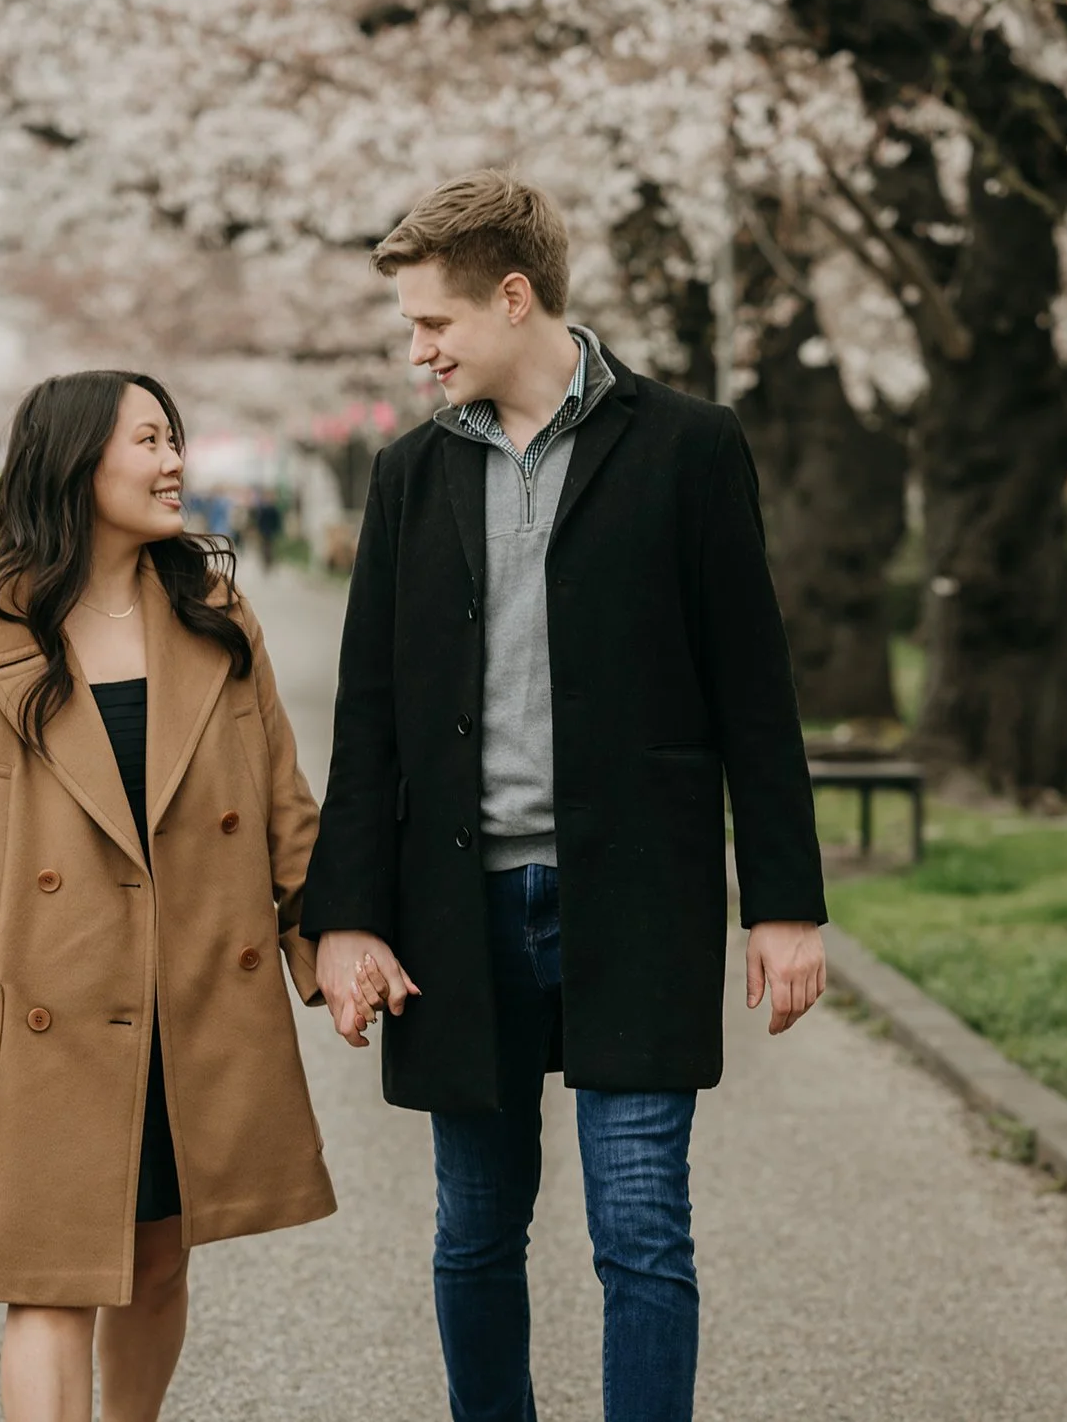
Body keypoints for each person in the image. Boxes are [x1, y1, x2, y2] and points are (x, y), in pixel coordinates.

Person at [299, 170, 828, 1422]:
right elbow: (369, 715)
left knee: (643, 1232)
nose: (417, 350)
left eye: (434, 323)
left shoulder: (692, 446)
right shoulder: (409, 475)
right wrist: (347, 916)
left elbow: (754, 688)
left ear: (515, 296)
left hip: (635, 899)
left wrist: (788, 905)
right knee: (474, 1233)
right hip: (453, 913)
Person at [0, 371, 335, 1422]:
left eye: (174, 437)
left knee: (161, 1262)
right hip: (42, 1015)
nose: (176, 459)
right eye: (150, 439)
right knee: (46, 1285)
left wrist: (329, 954)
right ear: (78, 462)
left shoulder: (215, 614)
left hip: (189, 1004)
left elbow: (284, 805)